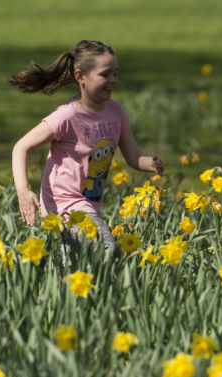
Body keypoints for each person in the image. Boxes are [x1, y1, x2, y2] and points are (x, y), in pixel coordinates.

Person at [10, 40, 164, 252]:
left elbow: (133, 156)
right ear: (80, 77)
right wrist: (23, 191)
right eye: (105, 74)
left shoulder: (115, 111)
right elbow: (21, 147)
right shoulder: (68, 115)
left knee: (79, 267)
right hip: (64, 204)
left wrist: (151, 163)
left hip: (89, 204)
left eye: (115, 74)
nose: (113, 81)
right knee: (106, 250)